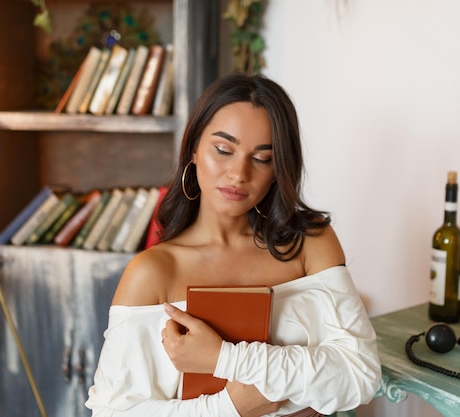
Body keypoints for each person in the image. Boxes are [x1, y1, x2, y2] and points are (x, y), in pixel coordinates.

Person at [85, 73, 381, 417]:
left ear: (278, 168)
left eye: (262, 158)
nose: (239, 173)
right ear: (193, 149)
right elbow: (113, 413)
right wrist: (231, 408)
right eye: (223, 150)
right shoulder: (154, 272)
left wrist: (224, 358)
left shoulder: (311, 244)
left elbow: (360, 375)